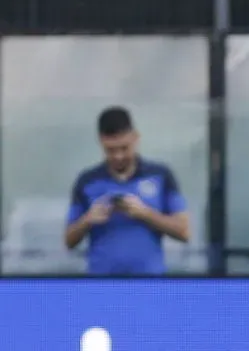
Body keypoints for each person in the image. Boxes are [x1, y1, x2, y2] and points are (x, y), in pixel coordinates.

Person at [64, 107, 190, 275]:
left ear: (135, 138)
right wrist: (88, 220)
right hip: (101, 286)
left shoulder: (160, 175)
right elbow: (68, 241)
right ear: (101, 141)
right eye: (110, 150)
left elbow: (184, 232)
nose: (118, 156)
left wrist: (145, 214)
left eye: (124, 148)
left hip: (149, 284)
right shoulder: (87, 181)